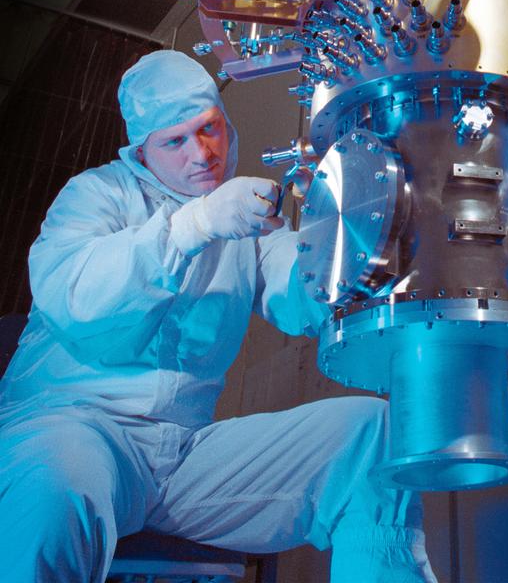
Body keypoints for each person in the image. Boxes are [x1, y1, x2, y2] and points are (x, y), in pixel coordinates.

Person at [0, 49, 436, 583]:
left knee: (370, 435)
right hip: (72, 425)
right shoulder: (98, 195)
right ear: (141, 151)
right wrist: (192, 226)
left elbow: (302, 292)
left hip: (180, 454)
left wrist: (352, 240)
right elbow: (75, 296)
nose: (202, 154)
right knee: (59, 482)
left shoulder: (245, 214)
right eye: (175, 141)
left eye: (208, 129)